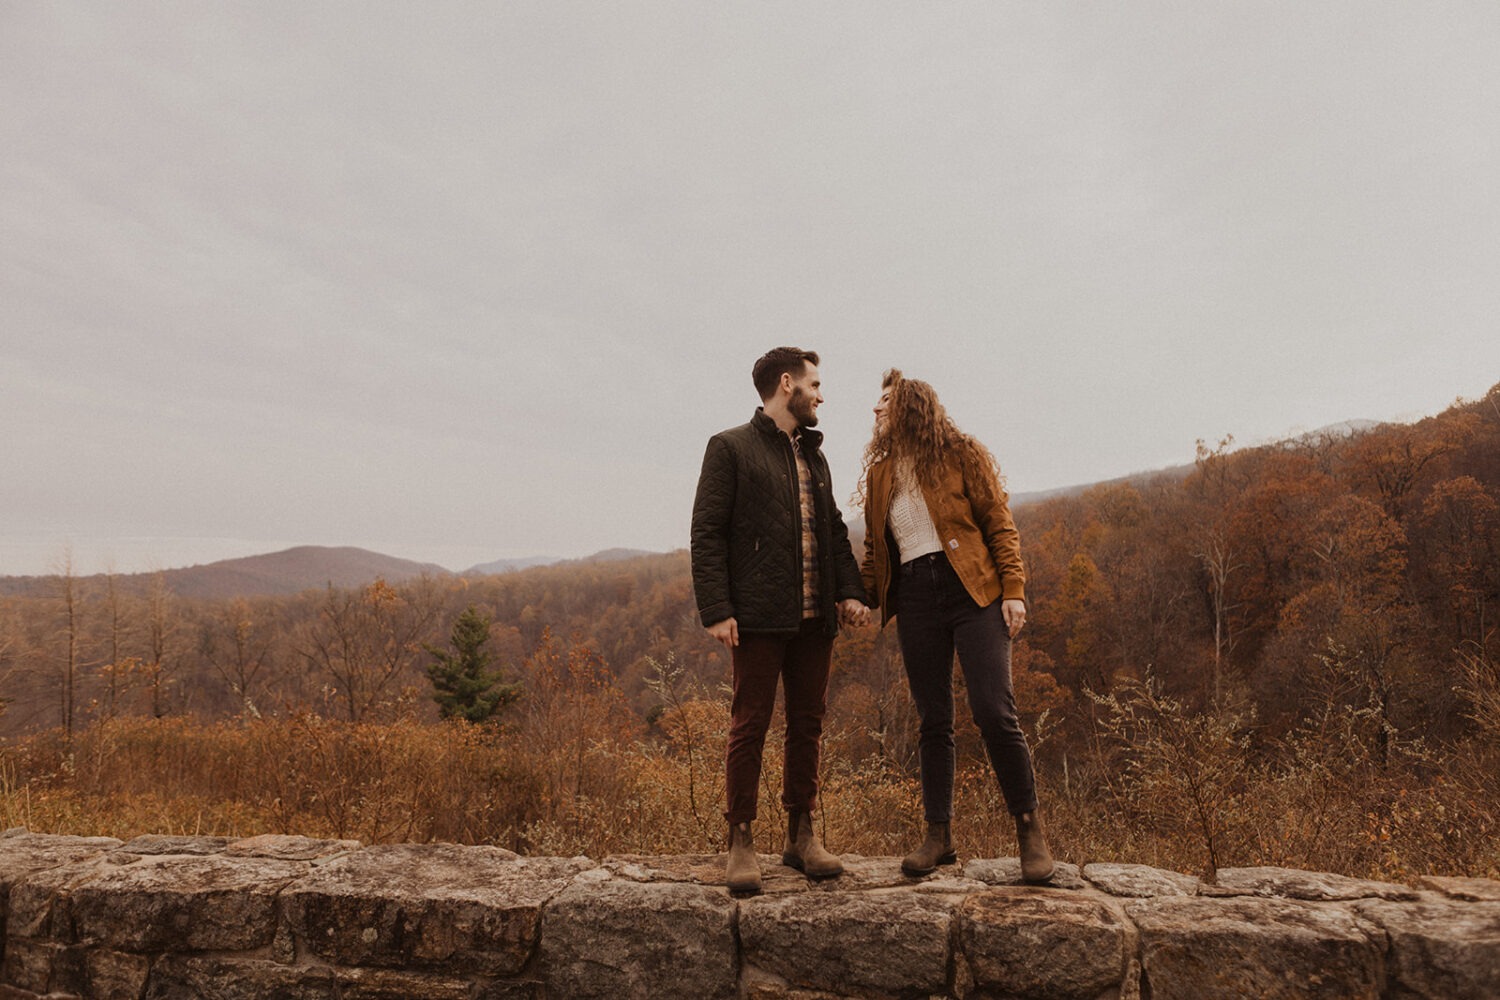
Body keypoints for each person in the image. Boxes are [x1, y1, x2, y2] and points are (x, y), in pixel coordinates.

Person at [856, 368, 1054, 882]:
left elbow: (998, 522)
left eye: (884, 403)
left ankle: (1030, 829)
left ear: (909, 407)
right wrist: (858, 598)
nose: (875, 411)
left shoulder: (960, 453)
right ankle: (938, 837)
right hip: (916, 595)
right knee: (933, 719)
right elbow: (877, 550)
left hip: (973, 589)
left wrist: (1014, 590)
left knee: (993, 710)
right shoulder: (880, 474)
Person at [691, 346, 870, 894]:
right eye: (815, 384)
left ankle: (800, 835)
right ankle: (741, 840)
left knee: (807, 724)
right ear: (787, 384)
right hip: (760, 616)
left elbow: (834, 530)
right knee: (750, 724)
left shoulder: (814, 454)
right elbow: (707, 532)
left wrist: (850, 592)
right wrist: (717, 609)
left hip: (816, 617)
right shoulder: (730, 447)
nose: (822, 395)